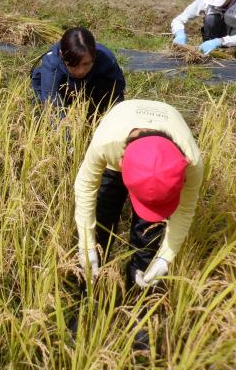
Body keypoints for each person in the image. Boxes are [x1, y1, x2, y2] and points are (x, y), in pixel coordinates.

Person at [73, 99, 203, 290]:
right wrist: (87, 245)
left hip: (166, 132)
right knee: (102, 218)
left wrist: (165, 258)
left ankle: (138, 290)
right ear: (121, 164)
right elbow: (85, 188)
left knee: (147, 238)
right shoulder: (106, 143)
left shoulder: (190, 161)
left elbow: (185, 210)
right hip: (119, 136)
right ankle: (88, 290)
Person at [30, 27, 125, 117]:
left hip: (90, 85)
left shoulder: (106, 59)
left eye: (86, 64)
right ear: (62, 55)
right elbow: (52, 105)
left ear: (94, 55)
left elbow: (117, 94)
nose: (80, 71)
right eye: (74, 65)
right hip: (61, 88)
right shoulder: (52, 62)